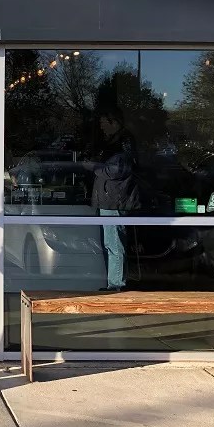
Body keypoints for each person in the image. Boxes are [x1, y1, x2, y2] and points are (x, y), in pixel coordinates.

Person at [89, 108, 140, 291]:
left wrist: (94, 167)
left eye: (104, 123)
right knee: (112, 242)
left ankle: (116, 284)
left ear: (114, 122)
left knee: (114, 243)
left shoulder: (122, 142)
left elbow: (118, 170)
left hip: (114, 199)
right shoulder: (117, 142)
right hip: (111, 198)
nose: (102, 127)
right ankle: (115, 282)